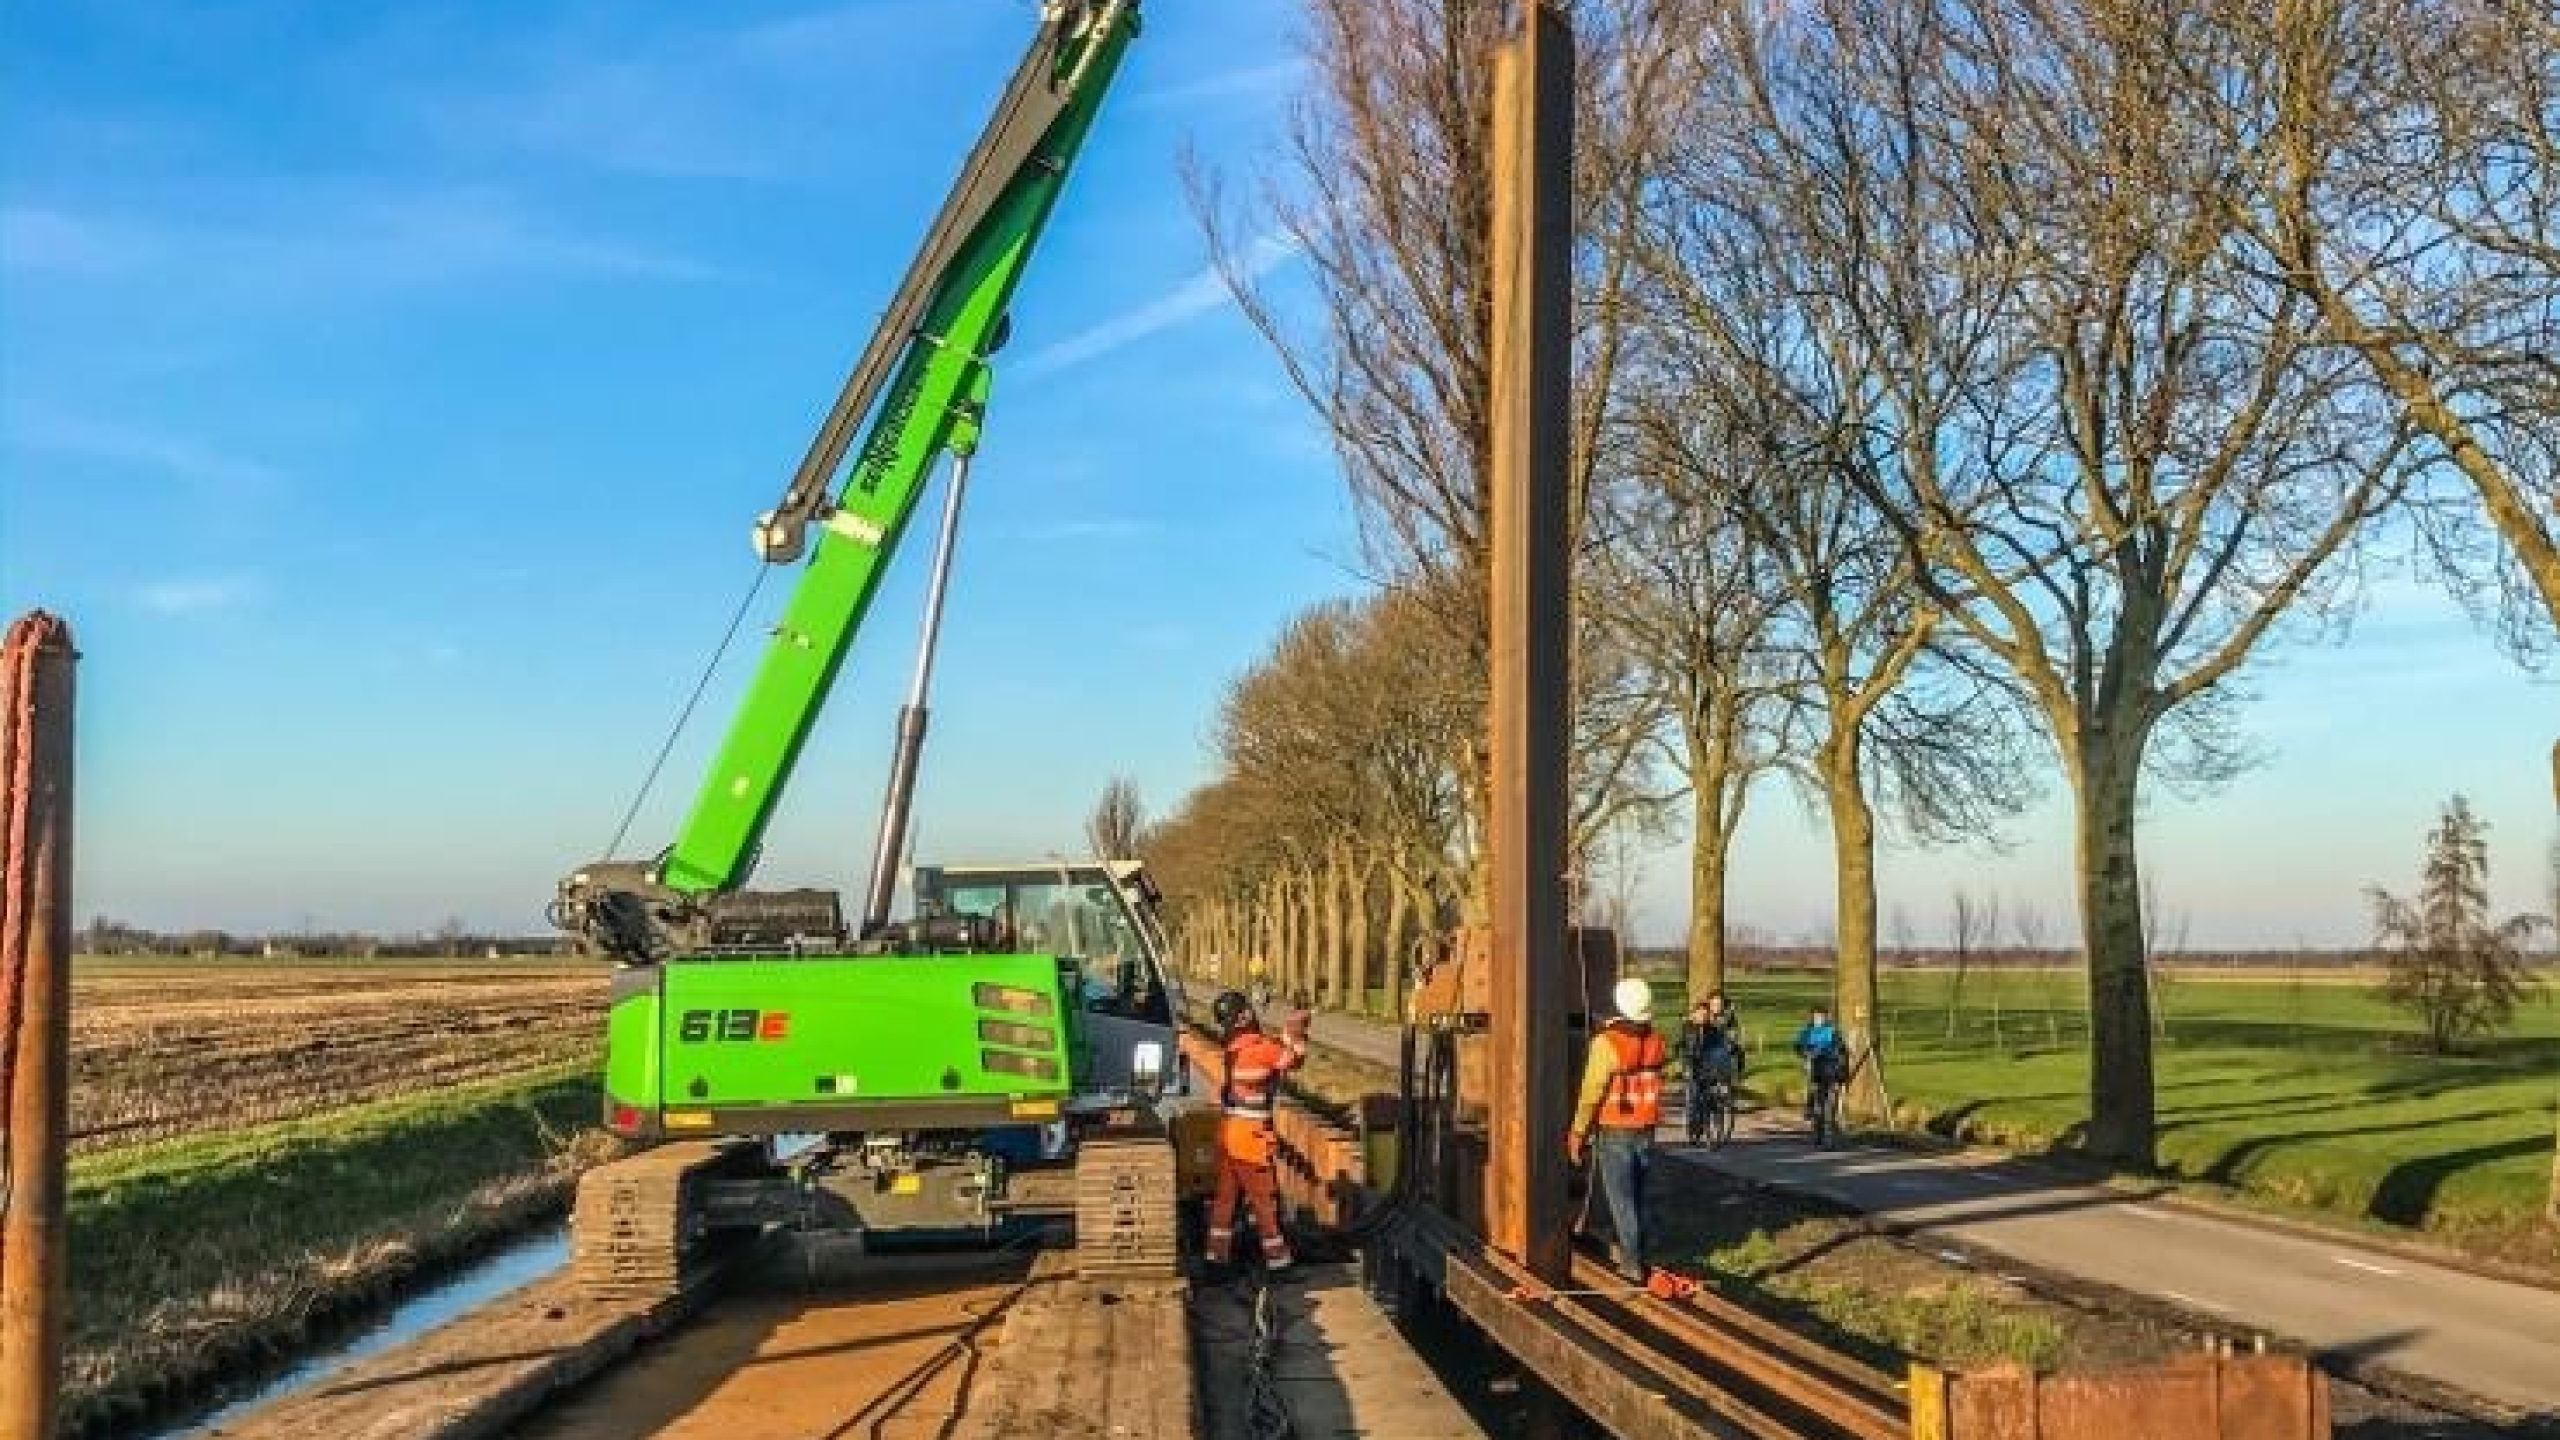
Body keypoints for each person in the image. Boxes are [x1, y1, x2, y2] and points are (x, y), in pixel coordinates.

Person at [1567, 976, 1667, 1283]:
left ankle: (1631, 1266)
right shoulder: (1656, 1041)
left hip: (1615, 1132)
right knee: (1638, 1195)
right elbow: (1638, 1047)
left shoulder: (1606, 1044)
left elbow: (1591, 1092)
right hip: (1646, 1130)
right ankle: (1642, 1255)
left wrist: (1577, 1131)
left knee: (1621, 1201)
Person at [1207, 989, 1310, 1272]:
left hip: (1229, 1132)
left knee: (1226, 1199)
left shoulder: (1234, 1049)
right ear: (1245, 1015)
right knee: (1264, 1200)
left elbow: (1274, 1054)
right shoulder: (1260, 1049)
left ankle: (1217, 1258)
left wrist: (1287, 1035)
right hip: (1250, 1138)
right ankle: (1279, 1261)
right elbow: (1293, 1060)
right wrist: (1297, 1033)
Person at [1678, 991, 1745, 1142]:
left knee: (1713, 1087)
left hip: (1711, 1062)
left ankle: (1715, 1112)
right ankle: (1693, 1124)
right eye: (1713, 1004)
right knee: (1693, 1095)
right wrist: (1686, 1061)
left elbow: (1726, 1041)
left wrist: (1731, 1051)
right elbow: (1683, 1045)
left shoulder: (1715, 1025)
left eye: (1719, 1004)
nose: (1716, 1007)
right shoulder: (1689, 1025)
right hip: (1693, 1063)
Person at [1792, 1005, 1848, 1139]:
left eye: (1822, 1017)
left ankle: (1834, 1117)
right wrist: (1805, 1053)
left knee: (1833, 1091)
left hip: (1829, 1064)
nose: (1819, 1019)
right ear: (1812, 1017)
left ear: (1826, 1017)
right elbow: (1797, 1046)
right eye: (1817, 1017)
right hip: (1814, 1064)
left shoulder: (1831, 1031)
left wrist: (1840, 1051)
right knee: (1813, 1087)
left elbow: (1841, 1046)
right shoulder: (1807, 1031)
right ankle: (1810, 1107)